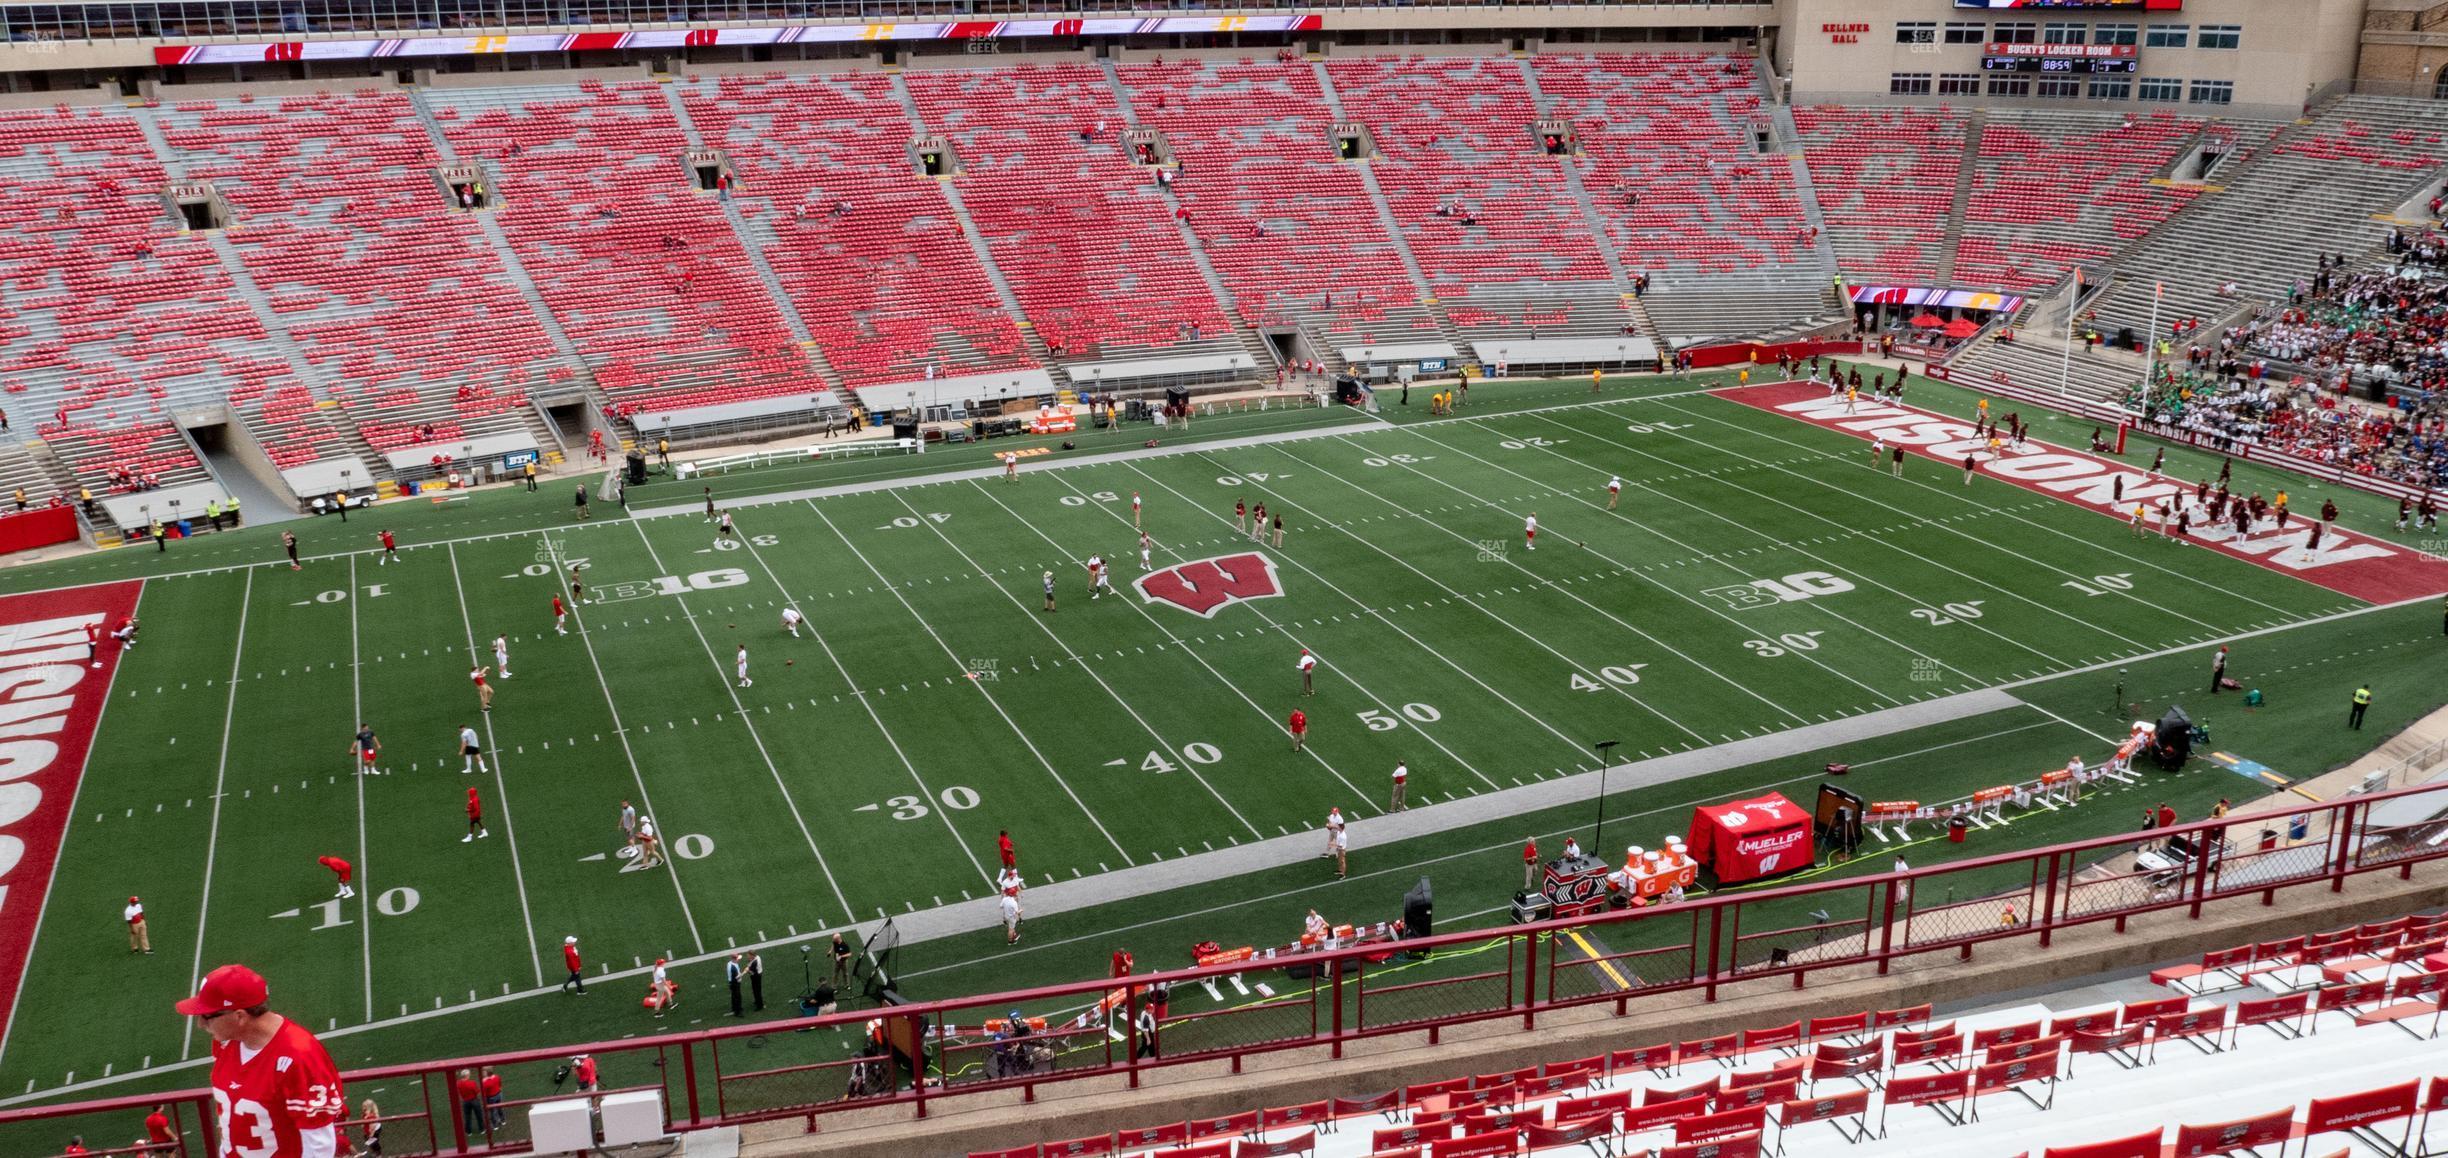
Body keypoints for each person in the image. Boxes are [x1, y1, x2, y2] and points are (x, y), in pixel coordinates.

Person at [177, 965, 346, 1158]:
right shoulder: (226, 1042)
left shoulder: (299, 1056)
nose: (201, 1024)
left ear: (239, 1016)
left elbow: (318, 1145)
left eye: (207, 1016)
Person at [454, 1070, 483, 1137]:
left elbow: (456, 1083)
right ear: (467, 1075)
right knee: (479, 1115)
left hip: (465, 1102)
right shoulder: (472, 1083)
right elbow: (477, 1092)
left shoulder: (458, 1083)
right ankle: (482, 1129)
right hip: (474, 1100)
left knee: (467, 1117)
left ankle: (468, 1131)